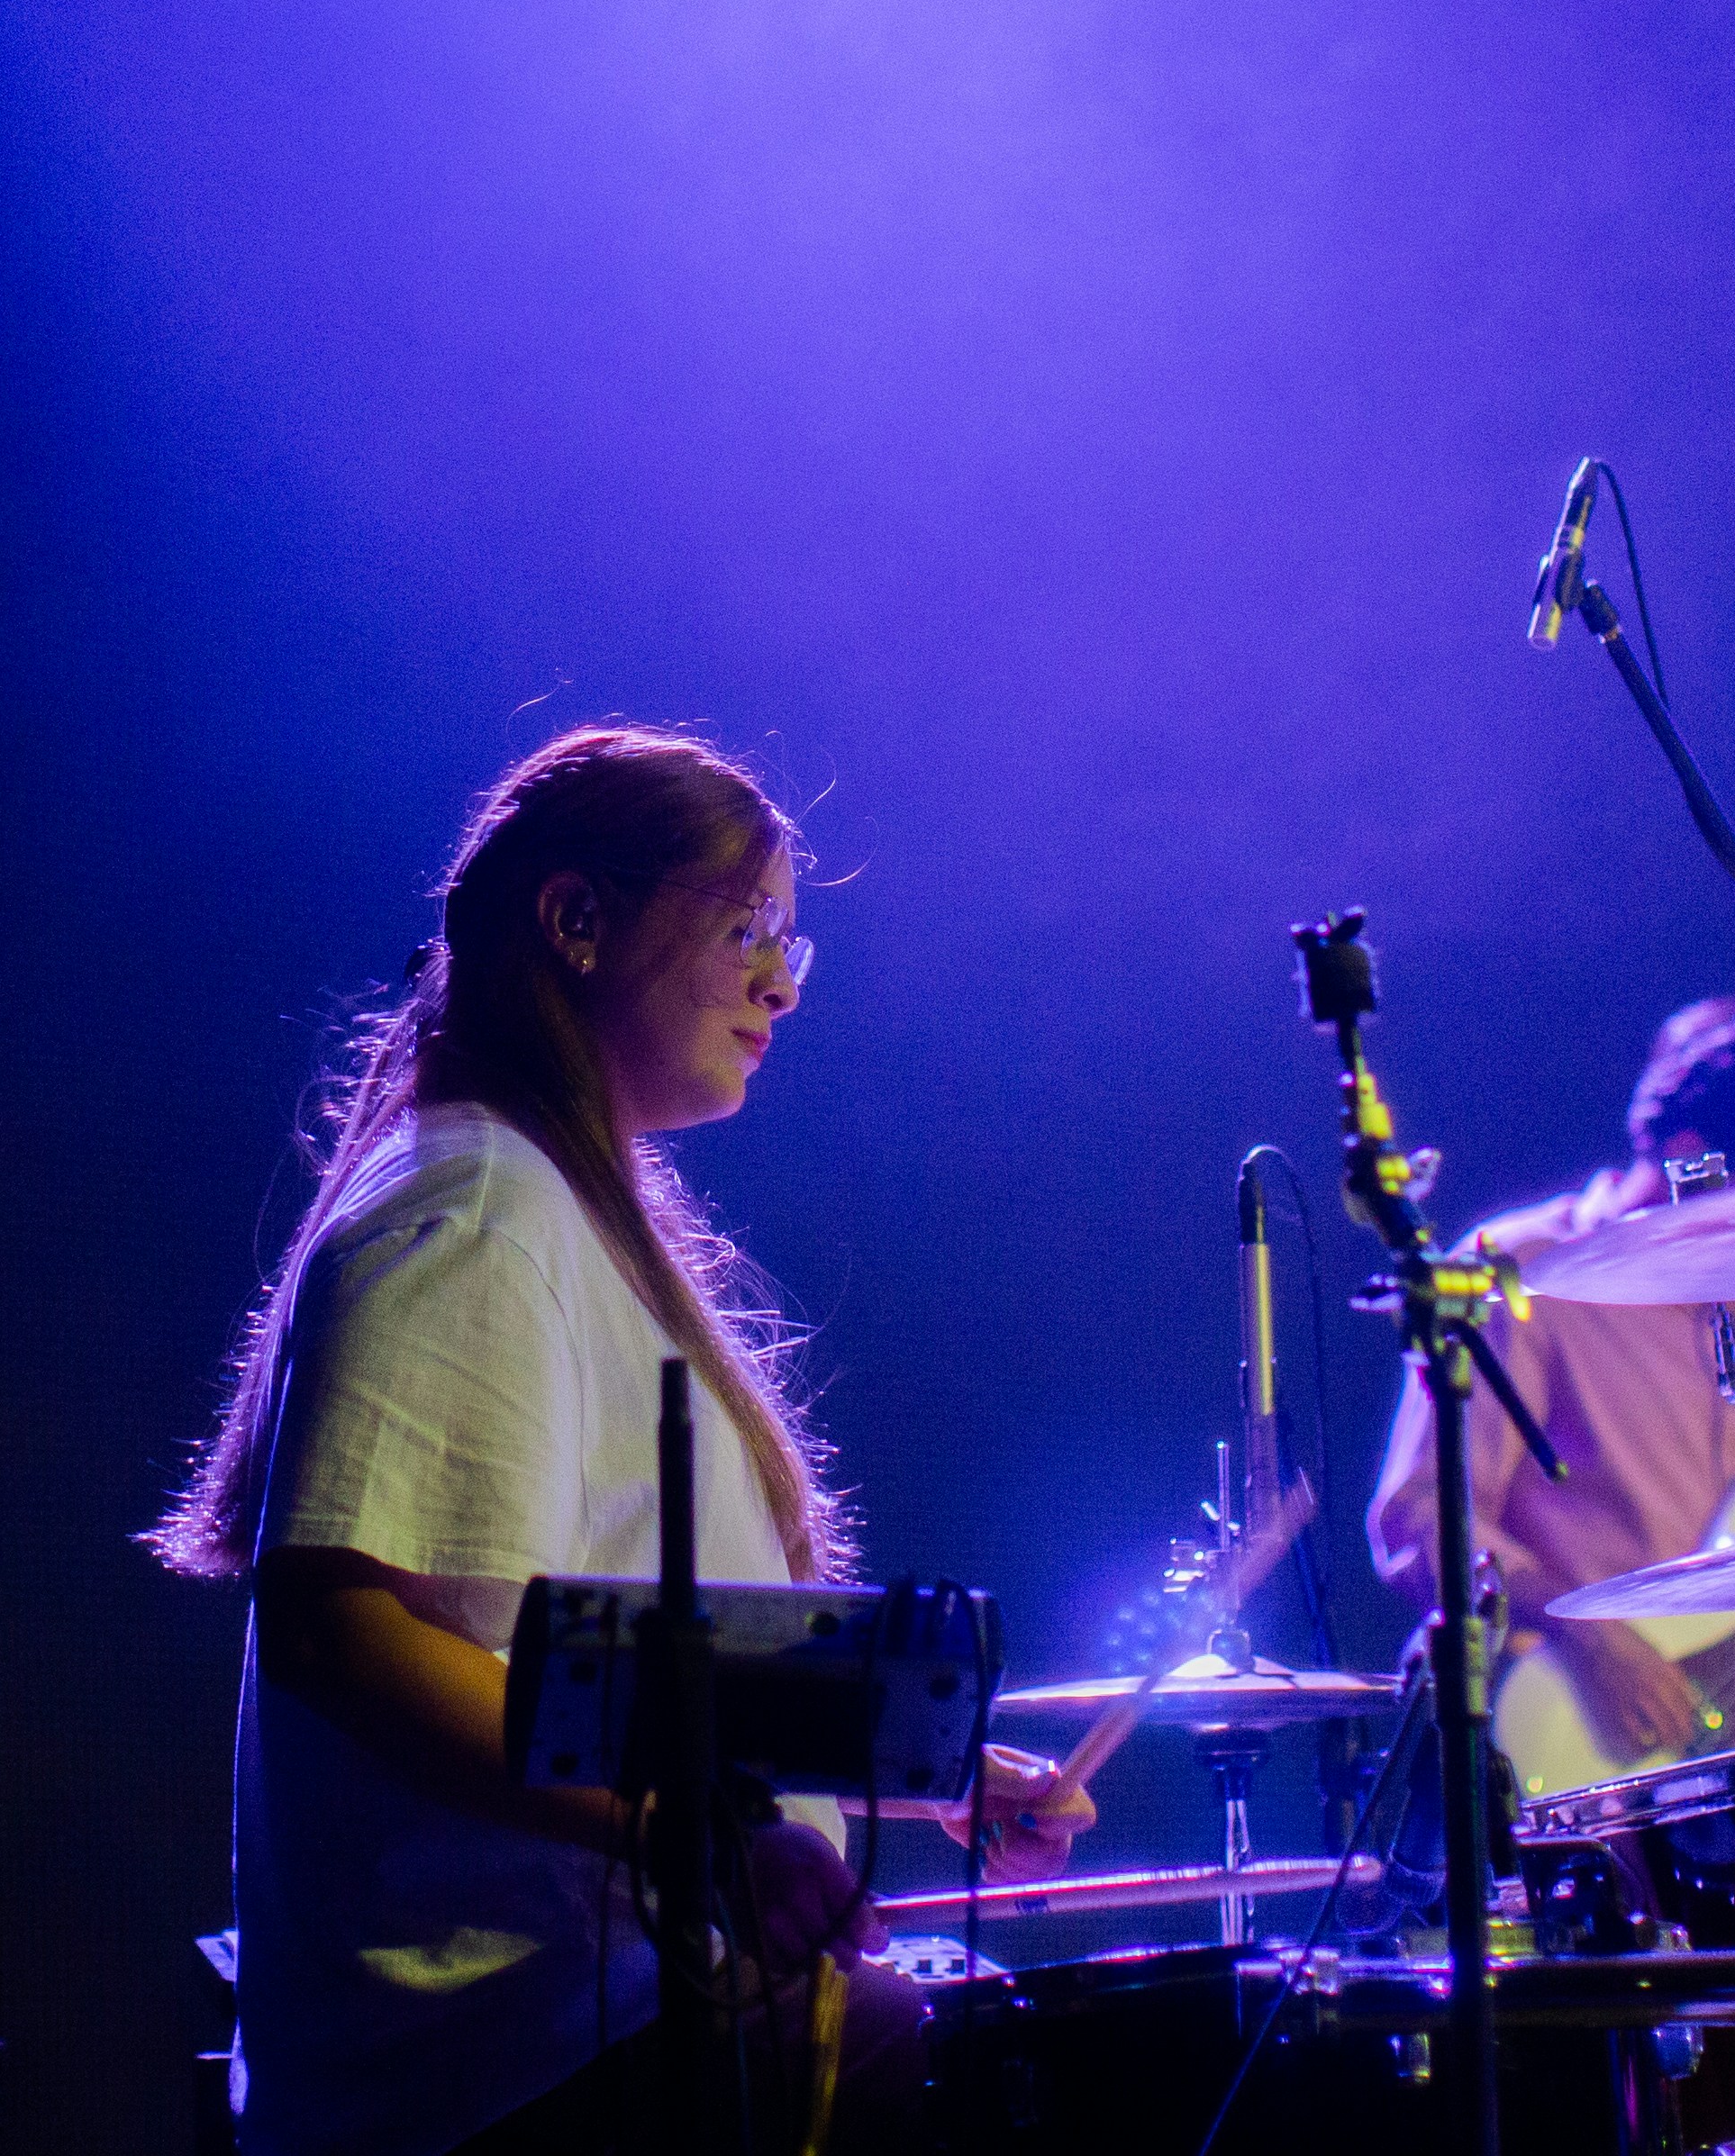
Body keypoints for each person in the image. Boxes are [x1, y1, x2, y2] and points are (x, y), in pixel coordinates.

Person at [152, 725, 1090, 2156]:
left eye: (794, 941)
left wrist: (880, 1751)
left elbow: (579, 1641)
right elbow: (341, 1628)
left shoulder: (537, 1208)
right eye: (747, 926)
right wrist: (689, 1831)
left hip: (584, 2043)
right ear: (577, 921)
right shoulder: (472, 1212)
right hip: (520, 2074)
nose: (782, 979)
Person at [1365, 996, 1735, 1779]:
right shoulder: (1522, 1272)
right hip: (1577, 1746)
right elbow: (1414, 1516)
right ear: (1690, 1155)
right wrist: (1582, 1633)